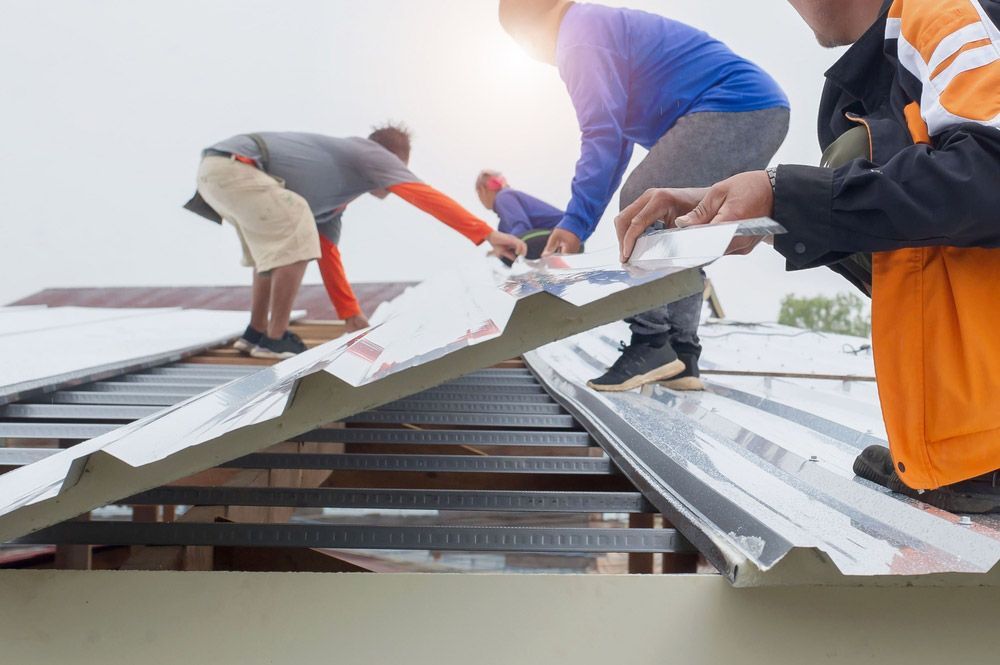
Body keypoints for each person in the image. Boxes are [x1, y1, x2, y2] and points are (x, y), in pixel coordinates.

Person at [615, 0, 1000, 512]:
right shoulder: (857, 89)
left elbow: (990, 172)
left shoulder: (945, 14)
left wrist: (783, 194)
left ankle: (980, 448)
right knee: (851, 176)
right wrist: (762, 210)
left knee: (852, 162)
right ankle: (965, 450)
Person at [498, 0, 789, 392]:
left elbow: (600, 135)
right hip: (757, 108)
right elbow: (614, 142)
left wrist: (575, 223)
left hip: (734, 106)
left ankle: (652, 340)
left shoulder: (577, 37)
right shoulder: (589, 27)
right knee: (678, 227)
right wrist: (576, 224)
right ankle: (682, 355)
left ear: (526, 36)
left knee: (643, 201)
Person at [185, 125, 526, 359]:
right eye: (397, 168)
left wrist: (350, 314)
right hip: (239, 166)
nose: (394, 179)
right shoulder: (371, 153)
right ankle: (275, 339)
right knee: (294, 231)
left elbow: (327, 255)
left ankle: (255, 334)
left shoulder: (333, 200)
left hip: (219, 171)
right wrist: (486, 233)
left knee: (271, 255)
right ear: (392, 158)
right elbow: (423, 195)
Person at [475, 170, 563, 262]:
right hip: (552, 233)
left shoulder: (503, 196)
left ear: (482, 189)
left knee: (518, 243)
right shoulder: (503, 226)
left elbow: (521, 225)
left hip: (564, 228)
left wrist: (507, 246)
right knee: (510, 251)